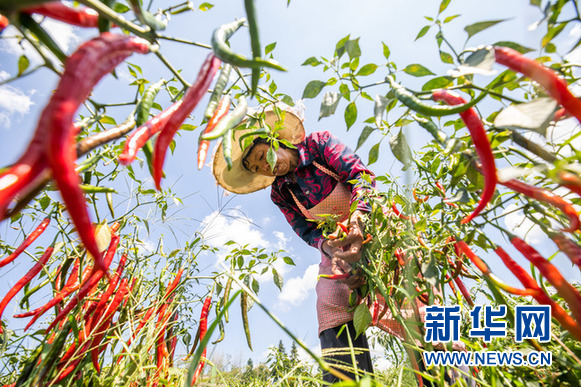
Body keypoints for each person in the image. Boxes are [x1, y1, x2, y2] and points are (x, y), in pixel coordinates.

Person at [212, 107, 375, 382]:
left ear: (275, 138)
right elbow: (306, 230)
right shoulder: (281, 193)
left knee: (412, 298)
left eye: (262, 156)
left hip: (372, 225)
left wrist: (358, 221)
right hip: (339, 249)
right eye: (256, 167)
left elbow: (362, 177)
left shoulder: (319, 144)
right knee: (329, 302)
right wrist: (329, 248)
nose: (264, 167)